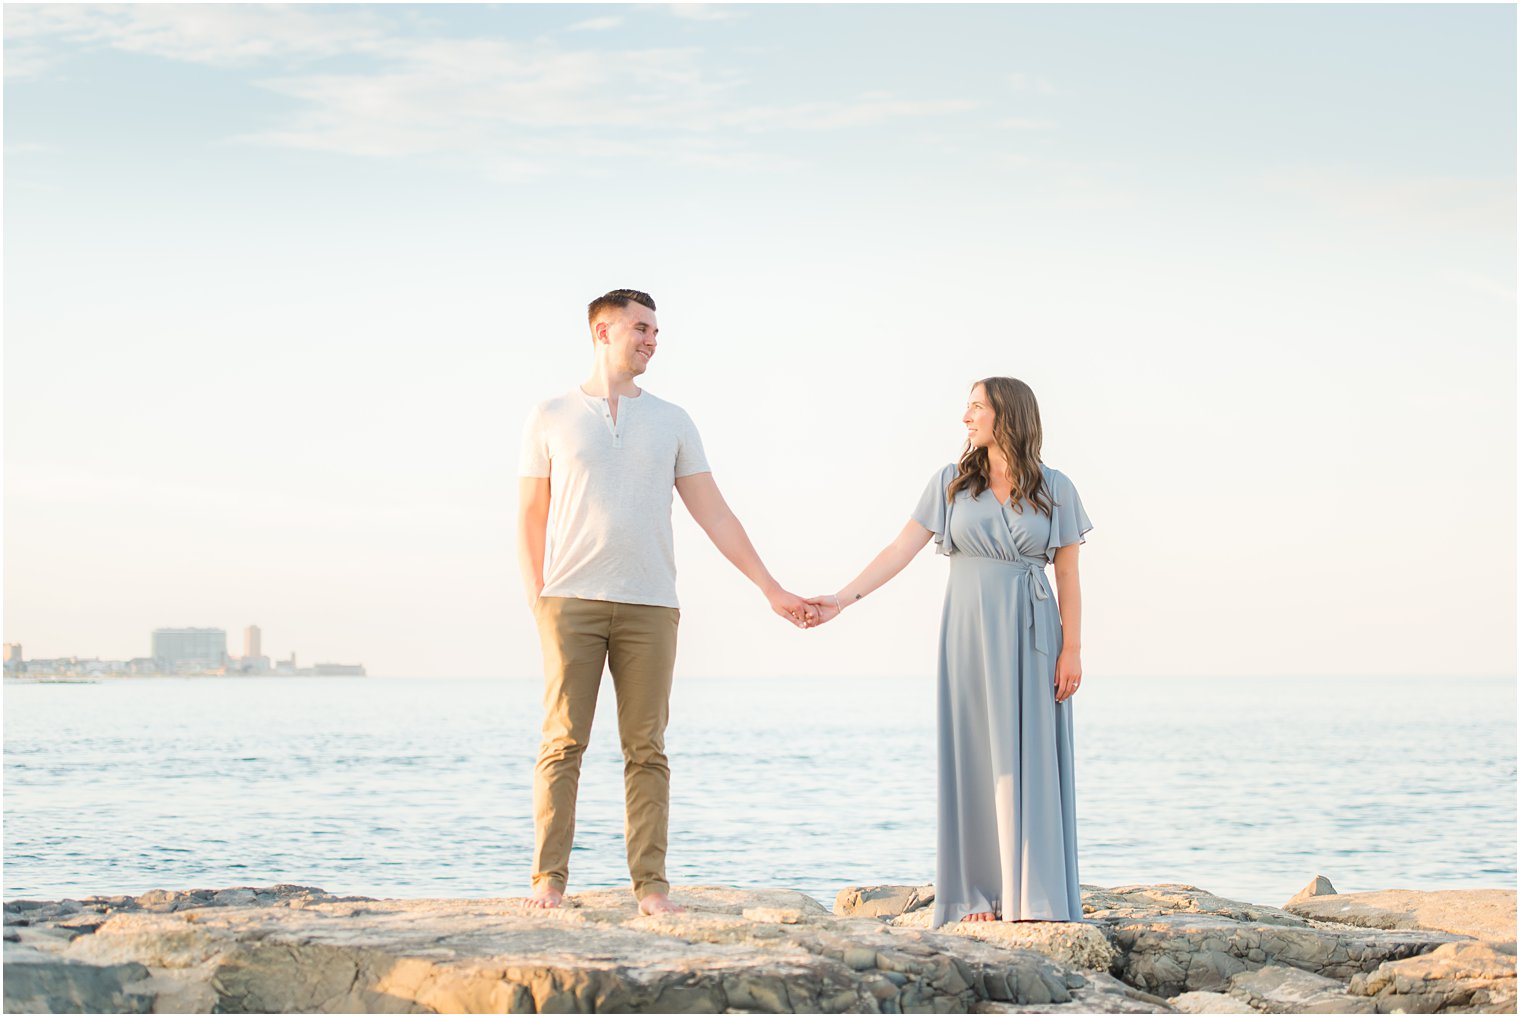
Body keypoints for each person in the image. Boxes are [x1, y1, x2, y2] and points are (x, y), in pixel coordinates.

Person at [517, 288, 816, 916]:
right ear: (603, 331)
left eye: (656, 331)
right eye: (641, 328)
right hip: (570, 600)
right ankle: (549, 880)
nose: (652, 339)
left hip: (651, 604)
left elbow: (714, 513)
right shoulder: (550, 414)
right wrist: (538, 601)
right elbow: (530, 517)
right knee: (563, 741)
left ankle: (651, 888)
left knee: (647, 748)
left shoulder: (673, 420)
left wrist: (770, 588)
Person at [807, 377, 1091, 926]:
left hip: (1034, 632)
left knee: (1031, 756)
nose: (966, 417)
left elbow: (1070, 575)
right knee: (975, 755)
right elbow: (899, 549)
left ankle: (1032, 892)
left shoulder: (1056, 487)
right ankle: (977, 894)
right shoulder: (951, 483)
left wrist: (1072, 650)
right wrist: (842, 599)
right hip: (967, 630)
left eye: (976, 407)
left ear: (1007, 415)